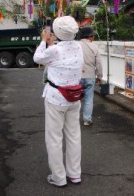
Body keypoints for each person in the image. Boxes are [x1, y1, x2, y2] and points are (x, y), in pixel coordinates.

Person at [33, 16, 84, 187]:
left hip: (56, 98)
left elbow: (38, 58)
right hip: (74, 98)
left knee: (54, 138)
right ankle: (75, 174)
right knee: (74, 136)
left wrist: (43, 41)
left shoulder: (54, 50)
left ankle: (59, 177)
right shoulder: (79, 47)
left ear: (57, 32)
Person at [78, 26, 103, 126]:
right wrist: (100, 76)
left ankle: (72, 119)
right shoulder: (94, 47)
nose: (94, 37)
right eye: (93, 35)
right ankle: (87, 120)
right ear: (90, 36)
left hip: (77, 76)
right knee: (88, 99)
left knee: (75, 98)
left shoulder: (76, 45)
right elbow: (99, 63)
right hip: (90, 76)